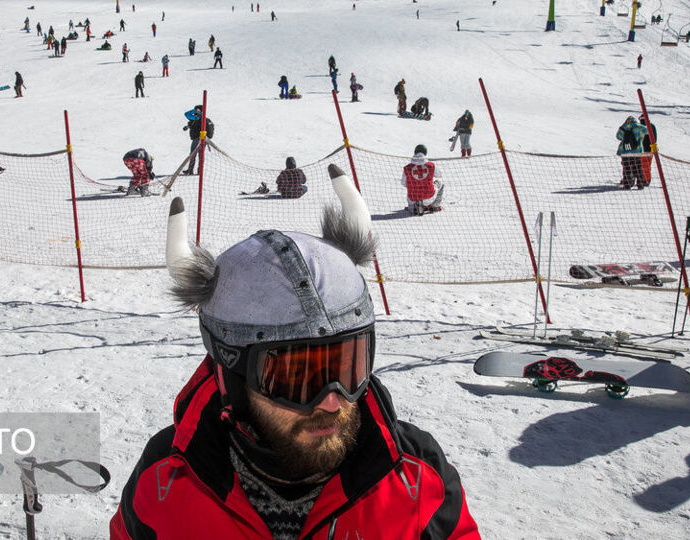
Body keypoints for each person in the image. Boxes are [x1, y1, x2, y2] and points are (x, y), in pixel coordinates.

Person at [111, 164, 478, 539]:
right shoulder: (166, 479)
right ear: (232, 374)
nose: (332, 402)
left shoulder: (416, 473)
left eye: (348, 367)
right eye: (296, 378)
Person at [403, 144, 444, 215]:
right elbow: (440, 175)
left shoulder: (407, 167)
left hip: (412, 198)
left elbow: (403, 183)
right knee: (440, 183)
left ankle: (413, 206)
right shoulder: (431, 165)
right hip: (428, 196)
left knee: (411, 189)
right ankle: (434, 206)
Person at [616, 115, 647, 189]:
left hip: (625, 152)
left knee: (627, 168)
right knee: (638, 167)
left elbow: (618, 136)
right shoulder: (639, 127)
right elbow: (647, 131)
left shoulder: (623, 127)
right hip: (637, 151)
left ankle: (627, 184)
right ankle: (640, 184)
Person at [182, 105, 214, 175]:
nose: (195, 111)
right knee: (200, 155)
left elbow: (186, 114)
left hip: (197, 139)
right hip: (204, 139)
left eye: (197, 110)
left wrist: (195, 111)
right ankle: (200, 171)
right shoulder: (203, 118)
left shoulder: (197, 117)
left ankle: (190, 170)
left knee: (193, 154)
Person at [639, 115, 656, 187]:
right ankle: (645, 178)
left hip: (645, 148)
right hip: (649, 148)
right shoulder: (651, 126)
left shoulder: (643, 127)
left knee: (644, 164)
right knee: (645, 164)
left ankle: (646, 179)